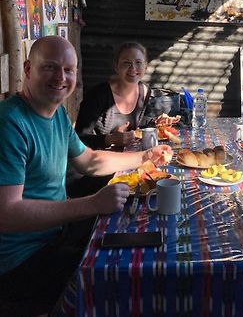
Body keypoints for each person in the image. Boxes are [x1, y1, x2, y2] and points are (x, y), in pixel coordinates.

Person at [0, 36, 173, 315]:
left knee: (144, 241)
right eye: (50, 67)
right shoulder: (10, 123)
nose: (61, 77)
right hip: (22, 261)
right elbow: (7, 213)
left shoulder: (54, 115)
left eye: (69, 70)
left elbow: (89, 161)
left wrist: (143, 158)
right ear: (28, 69)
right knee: (124, 277)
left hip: (57, 235)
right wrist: (93, 203)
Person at [67, 41, 149, 197]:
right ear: (116, 66)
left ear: (146, 66)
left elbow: (144, 127)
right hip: (93, 174)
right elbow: (78, 140)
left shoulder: (145, 92)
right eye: (126, 63)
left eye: (138, 63)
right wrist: (110, 139)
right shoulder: (97, 96)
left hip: (126, 167)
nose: (133, 68)